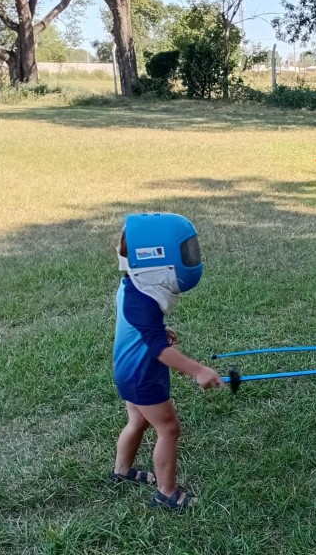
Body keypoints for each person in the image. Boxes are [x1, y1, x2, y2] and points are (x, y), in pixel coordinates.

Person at [111, 213, 224, 511]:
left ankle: (121, 471)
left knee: (138, 421)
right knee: (169, 429)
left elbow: (139, 328)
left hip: (128, 369)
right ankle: (167, 493)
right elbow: (160, 351)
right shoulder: (144, 299)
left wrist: (157, 331)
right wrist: (198, 370)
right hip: (142, 374)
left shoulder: (132, 287)